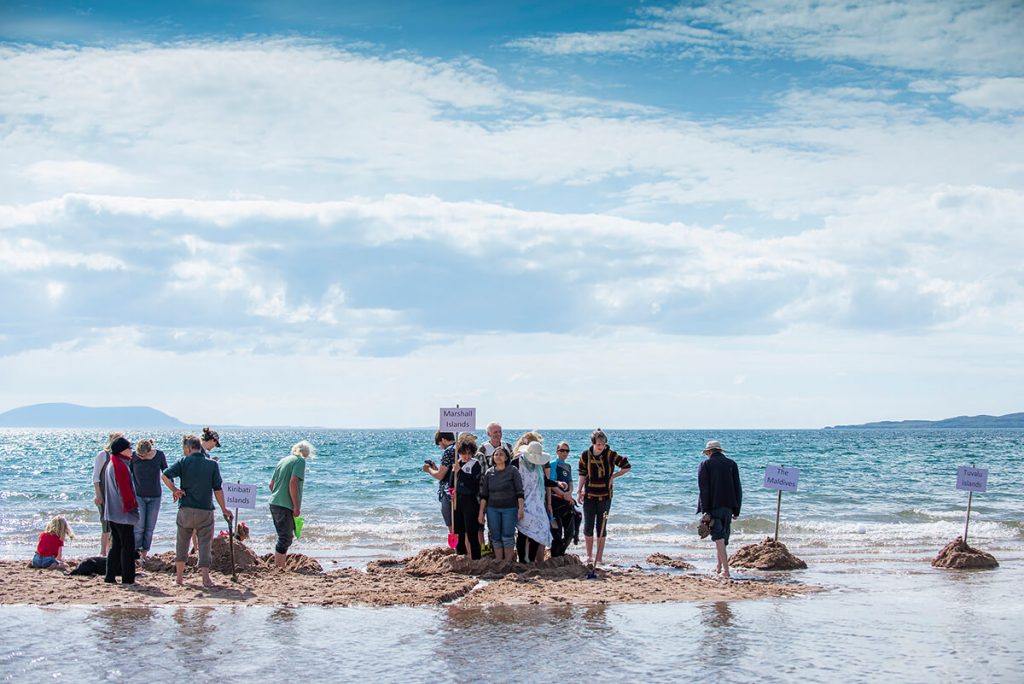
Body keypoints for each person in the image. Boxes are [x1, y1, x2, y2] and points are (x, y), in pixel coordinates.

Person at [161, 434, 233, 588]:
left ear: (188, 448)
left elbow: (165, 475)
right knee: (205, 544)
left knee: (182, 543)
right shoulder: (212, 465)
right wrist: (224, 509)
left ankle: (179, 578)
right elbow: (218, 489)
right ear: (200, 447)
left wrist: (175, 490)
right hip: (205, 510)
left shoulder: (183, 461)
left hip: (186, 509)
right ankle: (205, 578)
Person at [577, 429, 631, 566]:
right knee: (588, 526)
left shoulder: (611, 455)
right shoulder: (585, 455)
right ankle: (589, 556)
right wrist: (578, 491)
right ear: (593, 443)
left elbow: (626, 466)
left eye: (603, 444)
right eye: (598, 444)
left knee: (601, 526)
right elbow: (582, 473)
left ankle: (599, 558)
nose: (601, 446)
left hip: (605, 496)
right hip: (589, 495)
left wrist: (613, 477)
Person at [697, 439, 742, 579]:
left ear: (709, 452)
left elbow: (703, 489)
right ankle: (719, 567)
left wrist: (705, 510)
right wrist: (737, 510)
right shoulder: (731, 464)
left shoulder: (705, 464)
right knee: (722, 539)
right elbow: (738, 488)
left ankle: (726, 571)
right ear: (720, 451)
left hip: (713, 507)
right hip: (729, 507)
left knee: (719, 539)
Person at [269, 440, 315, 570]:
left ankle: (279, 566)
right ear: (306, 454)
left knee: (284, 536)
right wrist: (296, 506)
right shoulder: (300, 461)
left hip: (274, 502)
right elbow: (293, 482)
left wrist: (278, 495)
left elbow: (271, 485)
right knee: (285, 538)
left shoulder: (283, 460)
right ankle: (279, 568)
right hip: (284, 505)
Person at [102, 436, 140, 585]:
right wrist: (132, 508)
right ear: (122, 450)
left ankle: (110, 576)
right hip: (122, 513)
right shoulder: (120, 466)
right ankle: (128, 578)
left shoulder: (112, 463)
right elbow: (125, 491)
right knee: (127, 546)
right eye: (129, 448)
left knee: (117, 545)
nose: (132, 450)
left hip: (113, 512)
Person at [478, 446, 523, 561]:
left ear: (506, 457)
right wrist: (481, 513)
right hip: (492, 509)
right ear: (492, 457)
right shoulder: (489, 472)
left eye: (501, 454)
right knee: (495, 536)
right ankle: (499, 560)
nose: (498, 456)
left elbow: (519, 492)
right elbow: (484, 495)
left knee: (508, 535)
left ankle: (507, 562)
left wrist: (521, 509)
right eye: (496, 454)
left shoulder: (513, 470)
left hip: (510, 508)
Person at [516, 440, 553, 563]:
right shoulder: (517, 462)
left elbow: (544, 480)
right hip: (522, 502)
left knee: (539, 530)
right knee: (523, 532)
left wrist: (557, 484)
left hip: (537, 503)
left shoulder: (538, 467)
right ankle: (522, 560)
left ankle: (531, 560)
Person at [131, 439, 167, 560]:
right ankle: (135, 553)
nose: (140, 457)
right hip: (138, 495)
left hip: (155, 496)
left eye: (143, 455)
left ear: (150, 451)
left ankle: (144, 553)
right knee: (139, 526)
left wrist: (174, 489)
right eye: (139, 455)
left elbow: (166, 473)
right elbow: (127, 475)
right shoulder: (133, 457)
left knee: (150, 527)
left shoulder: (159, 455)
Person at [451, 435, 483, 559]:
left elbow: (473, 484)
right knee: (458, 531)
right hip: (458, 501)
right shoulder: (457, 463)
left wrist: (461, 472)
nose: (466, 456)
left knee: (471, 532)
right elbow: (451, 481)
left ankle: (476, 558)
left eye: (469, 453)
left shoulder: (475, 464)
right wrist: (451, 492)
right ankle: (461, 556)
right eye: (464, 453)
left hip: (470, 500)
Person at [91, 431, 122, 556]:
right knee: (106, 524)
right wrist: (98, 495)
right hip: (104, 494)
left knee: (116, 524)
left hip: (116, 495)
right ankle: (103, 552)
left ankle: (112, 551)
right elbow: (96, 477)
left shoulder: (120, 457)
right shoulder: (103, 455)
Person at [549, 441, 580, 557]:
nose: (564, 453)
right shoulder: (553, 464)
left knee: (570, 533)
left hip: (567, 501)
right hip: (556, 502)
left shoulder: (568, 466)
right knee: (557, 532)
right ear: (557, 451)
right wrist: (563, 494)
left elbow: (570, 483)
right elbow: (551, 484)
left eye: (567, 451)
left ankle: (562, 553)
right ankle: (555, 556)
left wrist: (569, 493)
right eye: (562, 450)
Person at [422, 431, 456, 531]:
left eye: (440, 444)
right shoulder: (460, 448)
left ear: (443, 440)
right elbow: (448, 473)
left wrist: (429, 470)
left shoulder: (448, 451)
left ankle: (456, 546)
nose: (441, 447)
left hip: (448, 491)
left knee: (451, 525)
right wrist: (435, 468)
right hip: (461, 490)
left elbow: (440, 476)